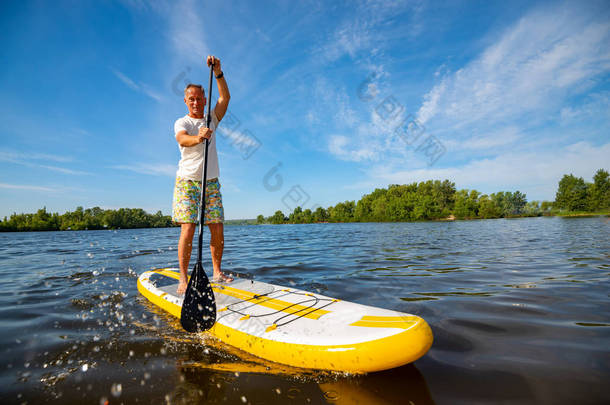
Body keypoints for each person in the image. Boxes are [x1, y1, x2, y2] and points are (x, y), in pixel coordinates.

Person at [172, 55, 233, 295]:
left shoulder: (211, 118)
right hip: (187, 182)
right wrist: (200, 137)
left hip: (211, 182)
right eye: (192, 99)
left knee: (216, 227)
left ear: (204, 99)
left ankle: (217, 272)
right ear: (186, 101)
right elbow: (182, 140)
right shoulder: (182, 121)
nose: (196, 102)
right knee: (188, 229)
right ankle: (184, 279)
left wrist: (218, 71)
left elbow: (225, 98)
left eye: (200, 99)